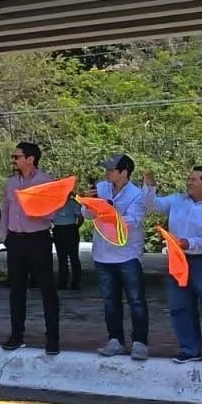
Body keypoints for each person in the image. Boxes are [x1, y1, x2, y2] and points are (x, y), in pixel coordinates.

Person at [144, 165, 202, 367]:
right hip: (178, 260)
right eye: (189, 179)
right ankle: (189, 349)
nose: (189, 183)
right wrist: (149, 187)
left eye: (194, 179)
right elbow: (152, 206)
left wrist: (189, 243)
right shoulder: (177, 200)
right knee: (180, 306)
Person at [0, 142, 62, 355]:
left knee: (47, 289)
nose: (14, 160)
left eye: (17, 156)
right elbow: (6, 209)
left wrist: (35, 208)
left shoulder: (45, 182)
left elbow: (53, 212)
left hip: (38, 239)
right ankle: (16, 335)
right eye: (13, 156)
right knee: (16, 290)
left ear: (30, 158)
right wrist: (4, 236)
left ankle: (52, 338)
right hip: (15, 240)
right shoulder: (10, 183)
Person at [87, 154, 150, 361]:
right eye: (107, 169)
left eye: (112, 169)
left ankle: (140, 342)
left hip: (128, 254)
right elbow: (86, 215)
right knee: (109, 301)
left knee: (136, 300)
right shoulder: (101, 187)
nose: (108, 173)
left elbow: (132, 220)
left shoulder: (137, 194)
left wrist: (105, 212)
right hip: (102, 253)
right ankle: (115, 340)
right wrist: (89, 203)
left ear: (124, 172)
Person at [51, 192, 82, 290]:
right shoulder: (54, 203)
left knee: (73, 257)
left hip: (70, 229)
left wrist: (76, 227)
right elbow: (50, 218)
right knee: (62, 258)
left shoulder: (72, 203)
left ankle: (75, 282)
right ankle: (62, 282)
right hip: (59, 230)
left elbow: (81, 216)